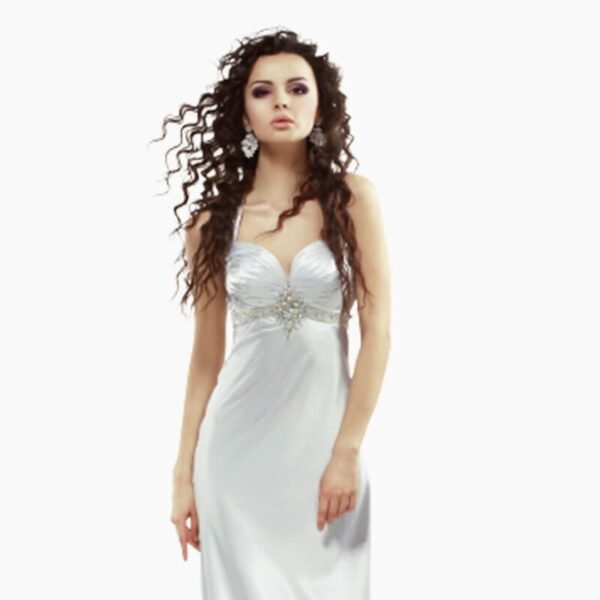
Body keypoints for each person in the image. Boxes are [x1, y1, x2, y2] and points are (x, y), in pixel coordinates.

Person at [150, 27, 391, 599]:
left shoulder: (352, 199)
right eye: (263, 92)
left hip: (325, 453)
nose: (281, 101)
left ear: (320, 105)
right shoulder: (212, 223)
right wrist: (183, 474)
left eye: (297, 88)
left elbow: (378, 333)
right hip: (235, 458)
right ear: (244, 113)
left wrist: (346, 450)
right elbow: (205, 358)